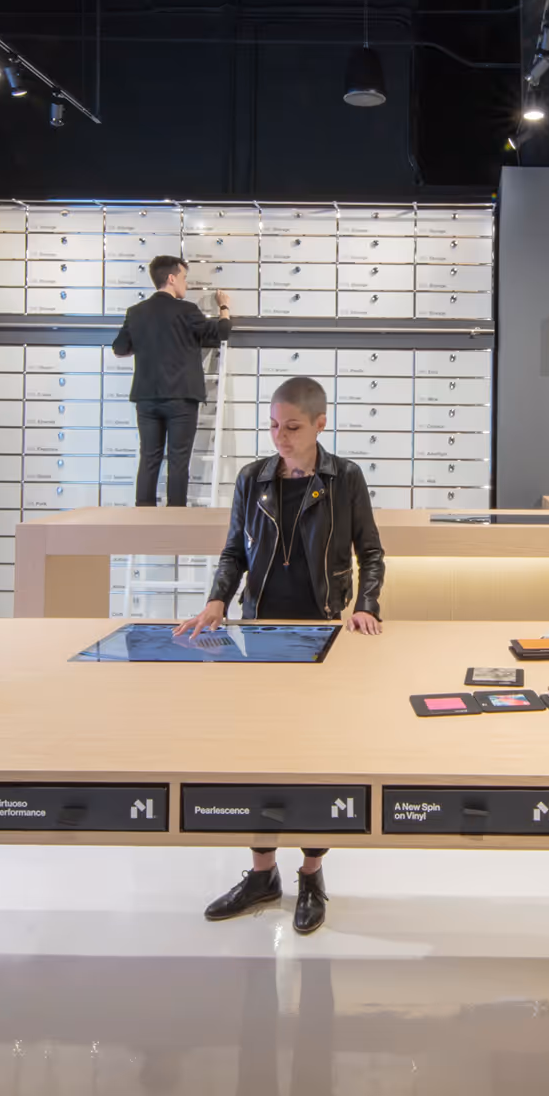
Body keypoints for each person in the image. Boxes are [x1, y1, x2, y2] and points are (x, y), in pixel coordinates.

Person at [179, 375, 386, 934]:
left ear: (320, 423)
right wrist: (218, 599)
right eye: (273, 425)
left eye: (292, 427)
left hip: (320, 634)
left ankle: (311, 874)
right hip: (259, 636)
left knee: (315, 760)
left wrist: (365, 603)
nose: (280, 437)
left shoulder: (345, 478)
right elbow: (232, 552)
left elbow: (370, 551)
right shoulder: (253, 479)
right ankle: (262, 872)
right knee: (256, 759)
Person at [110, 255, 233, 507]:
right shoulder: (186, 310)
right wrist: (224, 307)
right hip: (181, 397)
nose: (186, 284)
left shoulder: (136, 312)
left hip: (146, 398)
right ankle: (174, 519)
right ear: (171, 278)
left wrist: (147, 344)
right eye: (185, 278)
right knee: (178, 460)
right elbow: (221, 333)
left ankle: (144, 517)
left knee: (149, 458)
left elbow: (120, 348)